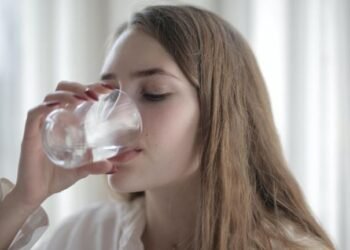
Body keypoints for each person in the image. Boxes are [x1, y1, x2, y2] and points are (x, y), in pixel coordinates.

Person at [0, 4, 335, 250]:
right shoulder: (87, 235)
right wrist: (23, 201)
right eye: (110, 95)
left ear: (220, 114)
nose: (113, 117)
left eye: (154, 93)